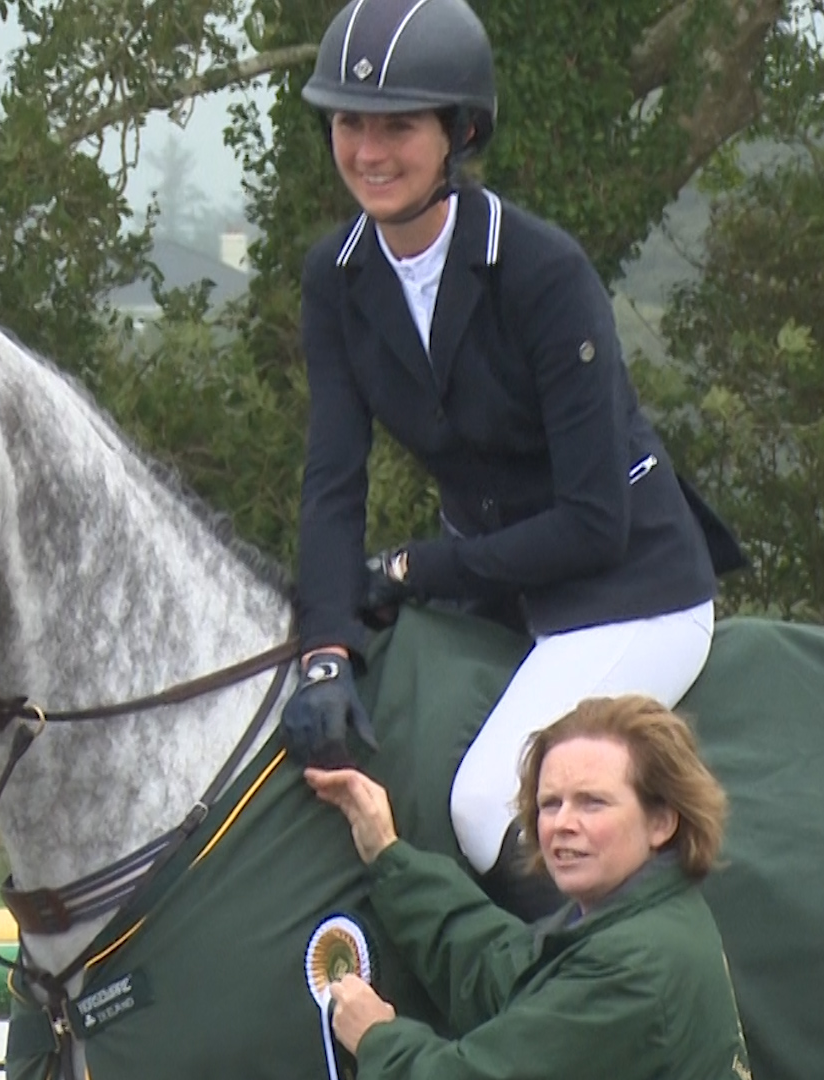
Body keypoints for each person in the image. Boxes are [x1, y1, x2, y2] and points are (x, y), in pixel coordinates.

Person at [277, 0, 745, 912]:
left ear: (457, 131)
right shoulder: (335, 276)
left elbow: (591, 523)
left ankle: (586, 1007)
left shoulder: (541, 270)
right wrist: (324, 649)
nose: (368, 151)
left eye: (397, 126)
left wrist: (414, 566)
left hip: (627, 592)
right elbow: (333, 478)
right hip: (499, 590)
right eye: (349, 123)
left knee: (490, 800)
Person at [303, 694, 752, 1080]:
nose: (561, 825)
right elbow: (509, 971)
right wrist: (388, 855)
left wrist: (377, 1037)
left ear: (661, 822)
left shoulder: (635, 965)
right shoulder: (638, 914)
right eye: (550, 804)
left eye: (592, 803)